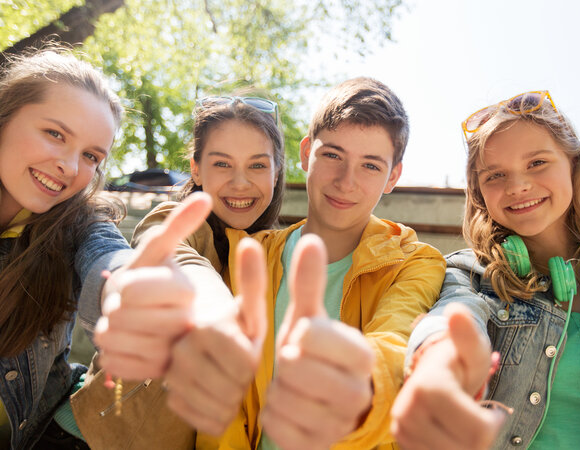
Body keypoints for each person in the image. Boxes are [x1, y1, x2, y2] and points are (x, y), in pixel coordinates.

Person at [164, 77, 447, 449]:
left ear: (393, 175)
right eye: (332, 155)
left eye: (370, 166)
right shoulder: (251, 254)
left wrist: (355, 382)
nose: (346, 182)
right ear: (305, 153)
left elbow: (396, 342)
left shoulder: (415, 263)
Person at [73, 95, 285, 449]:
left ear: (277, 172)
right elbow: (174, 256)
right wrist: (217, 313)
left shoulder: (276, 252)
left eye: (258, 166)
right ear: (196, 169)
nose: (240, 182)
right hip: (92, 438)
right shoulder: (174, 219)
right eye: (222, 164)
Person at [391, 91, 580, 449]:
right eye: (495, 175)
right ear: (478, 193)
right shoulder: (470, 274)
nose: (517, 186)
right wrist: (437, 367)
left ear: (574, 164)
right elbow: (451, 319)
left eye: (537, 163)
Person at [0, 48, 134, 449]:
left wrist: (135, 286)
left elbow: (110, 259)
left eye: (91, 156)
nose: (72, 168)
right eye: (55, 134)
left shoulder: (79, 222)